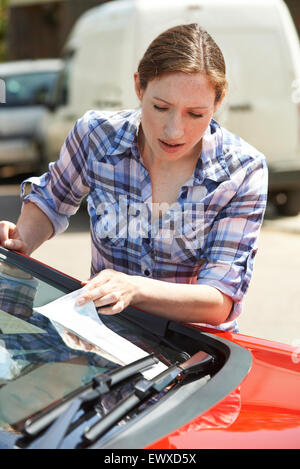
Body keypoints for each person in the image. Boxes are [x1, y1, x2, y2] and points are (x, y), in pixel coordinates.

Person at [0, 24, 268, 332]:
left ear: (218, 102)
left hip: (196, 351)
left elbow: (219, 301)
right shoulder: (96, 136)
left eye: (195, 114)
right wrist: (21, 241)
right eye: (160, 107)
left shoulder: (243, 170)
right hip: (104, 340)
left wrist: (134, 289)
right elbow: (50, 200)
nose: (174, 130)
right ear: (139, 87)